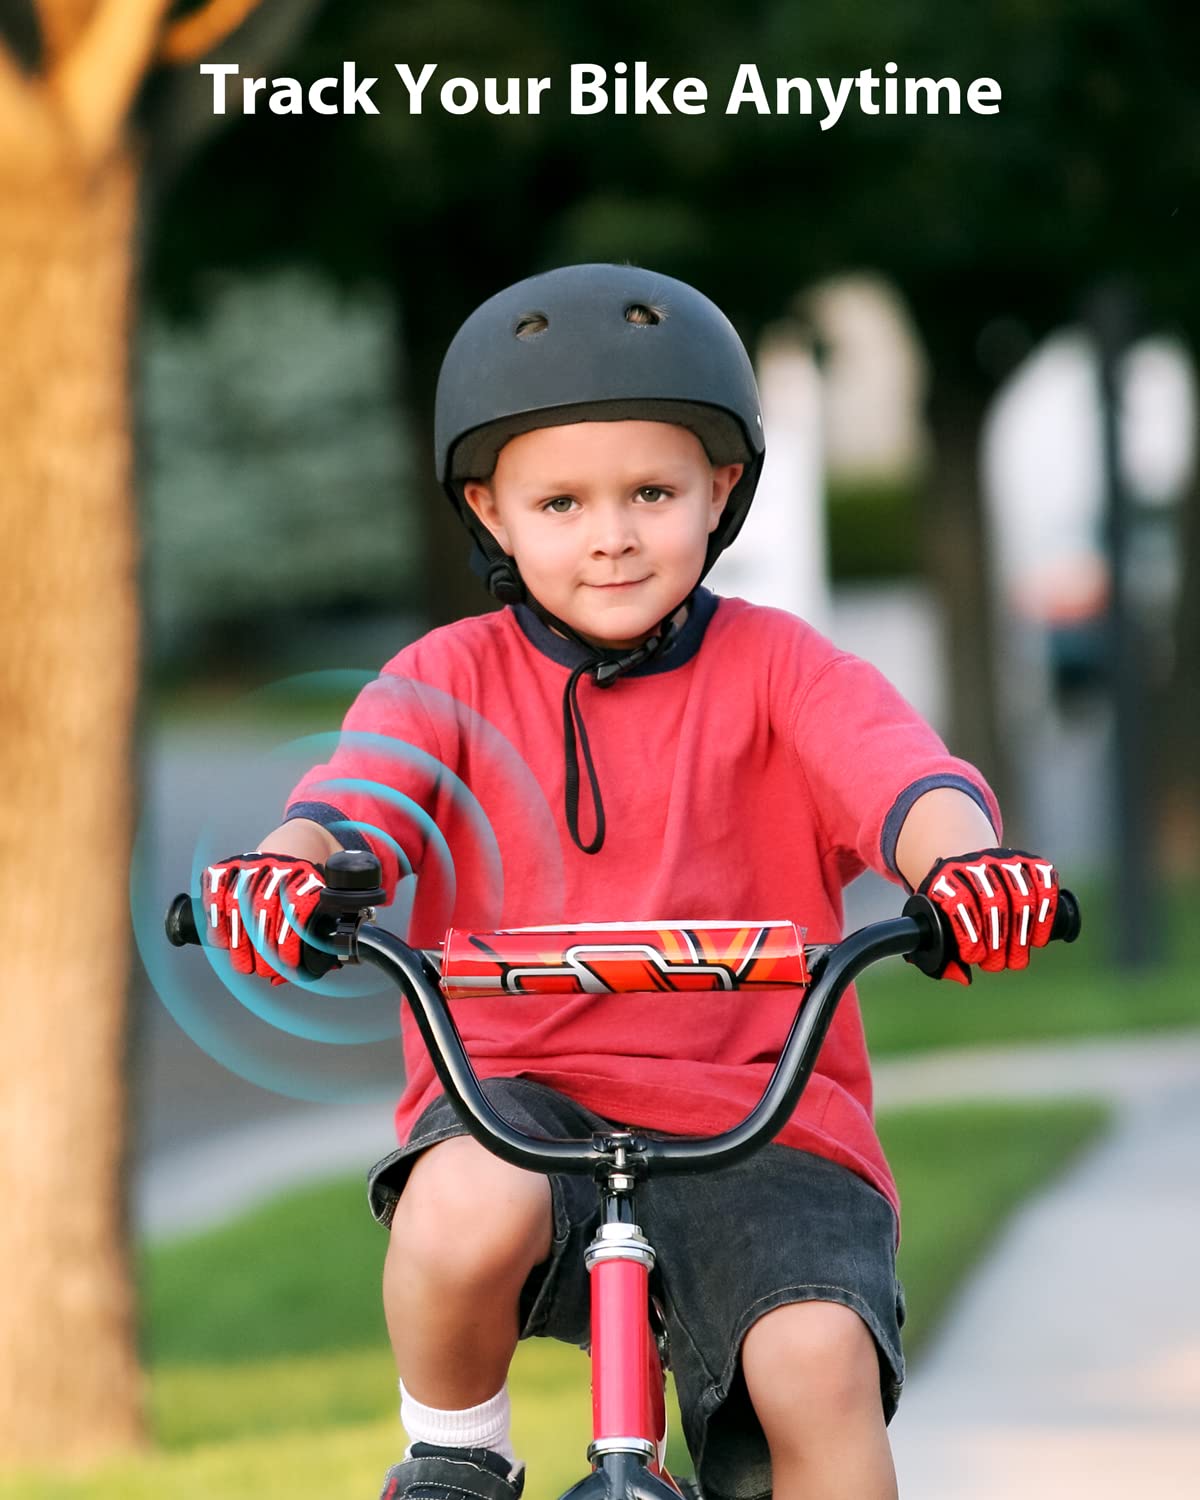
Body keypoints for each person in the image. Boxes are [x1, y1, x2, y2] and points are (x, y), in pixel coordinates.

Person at [199, 264, 1061, 1500]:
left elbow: (904, 782)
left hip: (763, 1116)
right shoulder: (444, 679)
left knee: (815, 1365)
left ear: (721, 491)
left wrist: (966, 867)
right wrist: (291, 874)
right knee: (456, 1211)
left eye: (652, 492)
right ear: (492, 512)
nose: (611, 534)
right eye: (562, 503)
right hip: (522, 1100)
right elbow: (355, 805)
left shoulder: (783, 668)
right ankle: (458, 1451)